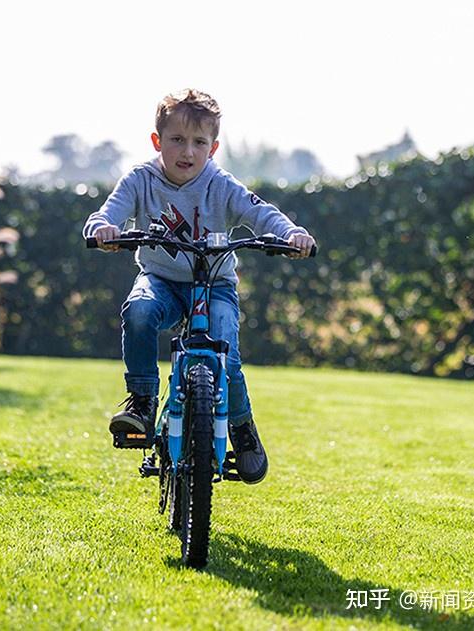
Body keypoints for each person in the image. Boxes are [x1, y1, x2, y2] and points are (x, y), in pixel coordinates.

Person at [83, 89, 316, 484]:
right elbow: (107, 213)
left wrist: (290, 234)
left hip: (215, 285)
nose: (187, 151)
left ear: (214, 148)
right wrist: (102, 229)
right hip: (160, 281)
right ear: (157, 142)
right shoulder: (141, 180)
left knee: (227, 356)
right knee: (139, 311)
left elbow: (260, 214)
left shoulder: (220, 184)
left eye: (199, 142)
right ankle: (141, 401)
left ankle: (242, 429)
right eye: (176, 140)